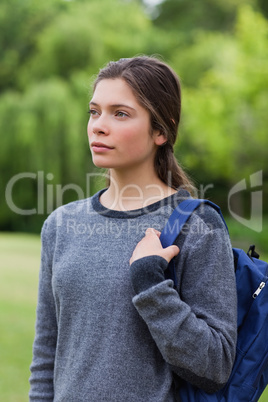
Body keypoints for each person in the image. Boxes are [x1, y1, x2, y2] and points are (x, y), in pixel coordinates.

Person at [29, 56, 237, 401]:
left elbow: (214, 366)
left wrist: (150, 283)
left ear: (161, 130)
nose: (98, 125)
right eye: (94, 112)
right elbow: (46, 357)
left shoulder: (197, 225)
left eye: (120, 113)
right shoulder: (61, 224)